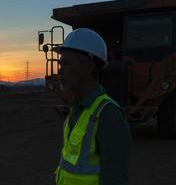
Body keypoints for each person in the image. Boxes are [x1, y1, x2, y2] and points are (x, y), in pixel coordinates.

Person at [54, 28, 133, 185]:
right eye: (60, 63)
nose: (60, 70)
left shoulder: (108, 115)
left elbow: (115, 178)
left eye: (68, 62)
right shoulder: (76, 109)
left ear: (89, 67)